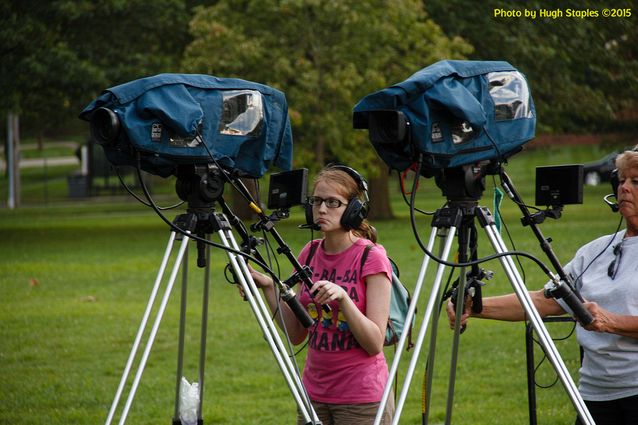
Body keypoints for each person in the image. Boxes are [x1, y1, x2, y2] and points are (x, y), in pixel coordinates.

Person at [446, 145, 638, 425]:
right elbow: (544, 301)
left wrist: (611, 322)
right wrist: (475, 307)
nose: (624, 188)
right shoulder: (596, 250)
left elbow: (608, 320)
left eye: (635, 181)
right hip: (595, 395)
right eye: (620, 180)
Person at [250, 164, 394, 425]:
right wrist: (268, 286)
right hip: (314, 396)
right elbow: (297, 333)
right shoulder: (310, 252)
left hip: (362, 399)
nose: (322, 209)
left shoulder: (371, 257)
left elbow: (374, 342)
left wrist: (344, 299)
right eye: (317, 201)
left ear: (353, 210)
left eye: (333, 202)